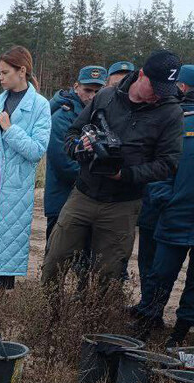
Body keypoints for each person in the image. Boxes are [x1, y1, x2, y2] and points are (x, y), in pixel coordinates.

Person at [42, 50, 184, 292]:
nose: (159, 95)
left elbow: (168, 164)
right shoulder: (106, 96)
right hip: (83, 195)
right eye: (156, 87)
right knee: (54, 261)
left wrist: (125, 174)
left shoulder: (170, 113)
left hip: (123, 205)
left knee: (107, 276)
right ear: (141, 75)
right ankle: (48, 322)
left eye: (165, 89)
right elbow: (72, 134)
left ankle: (96, 326)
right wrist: (80, 147)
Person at [0, 46, 51, 332]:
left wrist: (10, 129)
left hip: (16, 192)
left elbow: (36, 150)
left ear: (21, 72)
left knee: (6, 254)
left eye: (5, 73)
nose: (0, 78)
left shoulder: (40, 106)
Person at [130, 64, 194, 347]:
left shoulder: (172, 117)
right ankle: (146, 326)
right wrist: (165, 198)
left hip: (173, 214)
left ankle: (179, 336)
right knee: (160, 274)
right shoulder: (174, 120)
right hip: (173, 216)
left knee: (173, 278)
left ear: (182, 88)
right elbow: (157, 168)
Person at [44, 65, 108, 240]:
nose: (92, 96)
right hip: (63, 200)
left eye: (98, 90)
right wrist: (99, 178)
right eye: (87, 90)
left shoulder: (102, 114)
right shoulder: (62, 117)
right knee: (57, 260)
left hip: (91, 200)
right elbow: (64, 163)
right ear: (76, 87)